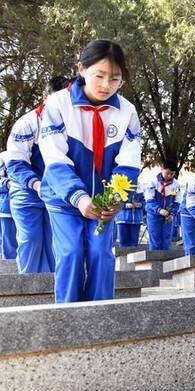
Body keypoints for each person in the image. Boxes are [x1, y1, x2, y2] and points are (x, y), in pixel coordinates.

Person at [38, 39, 141, 303]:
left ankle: (100, 320)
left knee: (101, 255)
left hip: (104, 202)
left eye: (115, 78)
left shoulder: (127, 112)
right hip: (65, 199)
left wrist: (117, 199)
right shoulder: (58, 104)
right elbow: (55, 158)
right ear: (81, 69)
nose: (107, 85)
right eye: (100, 76)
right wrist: (79, 197)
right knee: (71, 253)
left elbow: (129, 162)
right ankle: (69, 323)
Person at [5, 76, 68, 273]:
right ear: (44, 97)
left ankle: (52, 293)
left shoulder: (71, 125)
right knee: (30, 240)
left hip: (56, 193)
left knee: (54, 244)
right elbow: (15, 164)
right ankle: (28, 293)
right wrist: (36, 184)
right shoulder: (27, 123)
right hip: (26, 192)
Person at [144, 160, 180, 251]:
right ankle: (154, 261)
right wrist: (159, 210)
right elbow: (149, 200)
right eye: (167, 173)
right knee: (155, 239)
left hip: (168, 216)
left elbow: (177, 201)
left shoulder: (175, 184)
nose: (169, 176)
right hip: (154, 215)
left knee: (166, 239)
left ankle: (166, 261)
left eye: (172, 174)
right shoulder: (153, 182)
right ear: (162, 169)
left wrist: (172, 214)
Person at [0, 154, 17, 259]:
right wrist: (8, 183)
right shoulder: (3, 157)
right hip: (6, 209)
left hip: (28, 208)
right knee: (9, 246)